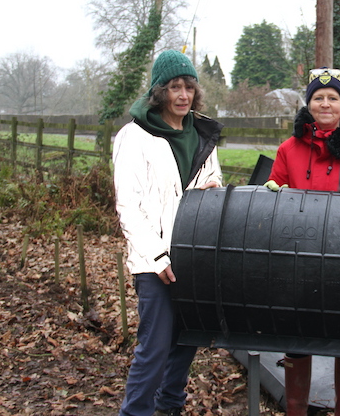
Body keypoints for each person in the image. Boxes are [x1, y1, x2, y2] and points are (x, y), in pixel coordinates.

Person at [264, 67, 340, 416]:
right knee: (297, 339)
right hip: (297, 262)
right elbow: (272, 197)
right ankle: (296, 410)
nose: (325, 103)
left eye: (332, 97)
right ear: (308, 105)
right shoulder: (288, 149)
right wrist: (273, 195)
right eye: (318, 97)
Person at [113, 50, 224, 416]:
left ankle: (169, 406)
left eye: (188, 87)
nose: (183, 95)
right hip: (154, 259)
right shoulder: (135, 136)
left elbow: (213, 182)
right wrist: (156, 256)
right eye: (174, 87)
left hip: (192, 252)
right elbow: (128, 205)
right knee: (156, 345)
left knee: (187, 338)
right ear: (160, 92)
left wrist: (211, 190)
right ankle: (136, 412)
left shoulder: (202, 132)